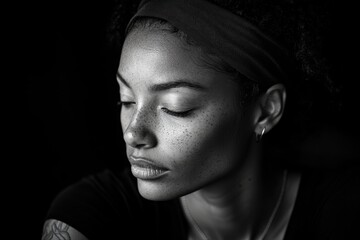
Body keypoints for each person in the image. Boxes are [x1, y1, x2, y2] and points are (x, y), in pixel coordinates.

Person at [41, 0, 359, 239]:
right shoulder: (93, 212)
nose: (133, 133)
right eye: (127, 99)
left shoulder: (343, 212)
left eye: (176, 107)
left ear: (266, 111)